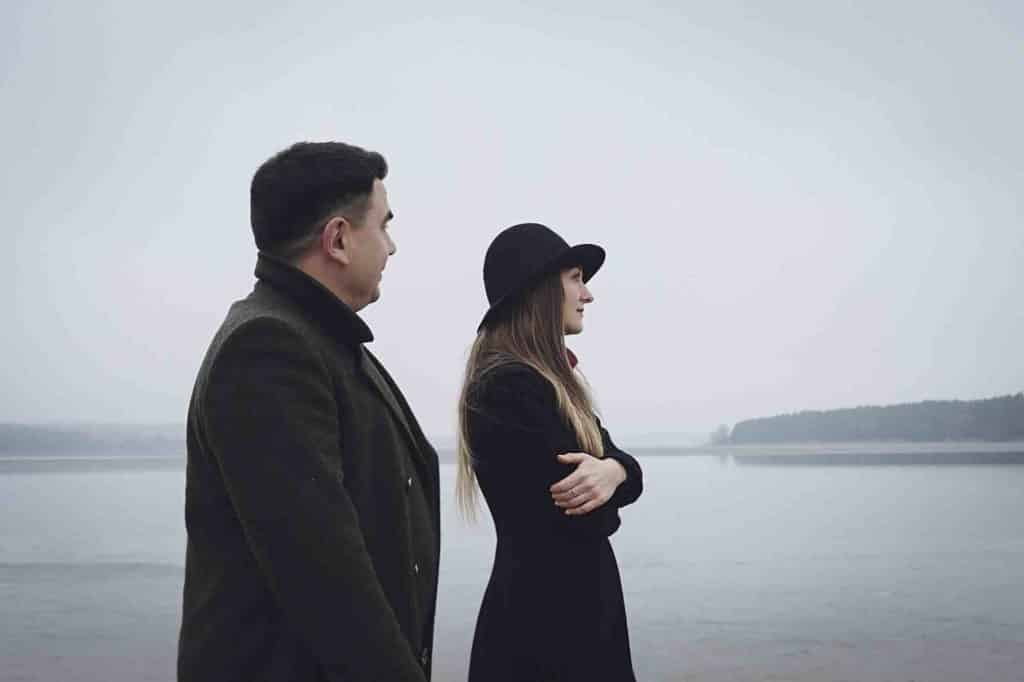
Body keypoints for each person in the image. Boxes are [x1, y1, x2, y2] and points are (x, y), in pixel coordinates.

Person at [178, 142, 440, 681]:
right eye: (384, 226)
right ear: (339, 239)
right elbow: (324, 577)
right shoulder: (268, 347)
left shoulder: (323, 339)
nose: (392, 247)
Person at [456, 222, 644, 681]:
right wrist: (610, 476)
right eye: (576, 278)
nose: (588, 294)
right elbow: (591, 517)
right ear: (540, 288)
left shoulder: (551, 384)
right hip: (546, 633)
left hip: (569, 620)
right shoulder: (509, 387)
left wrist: (612, 472)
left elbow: (629, 471)